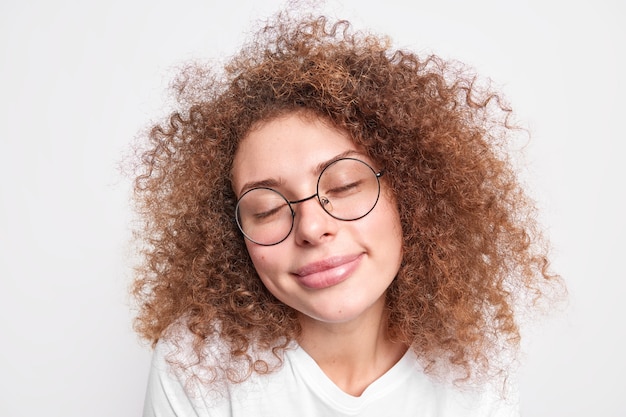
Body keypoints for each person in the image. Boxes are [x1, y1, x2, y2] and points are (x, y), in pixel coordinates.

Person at [130, 9, 562, 417]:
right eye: (267, 209)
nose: (313, 228)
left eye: (344, 186)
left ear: (411, 193)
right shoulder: (196, 364)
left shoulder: (473, 366)